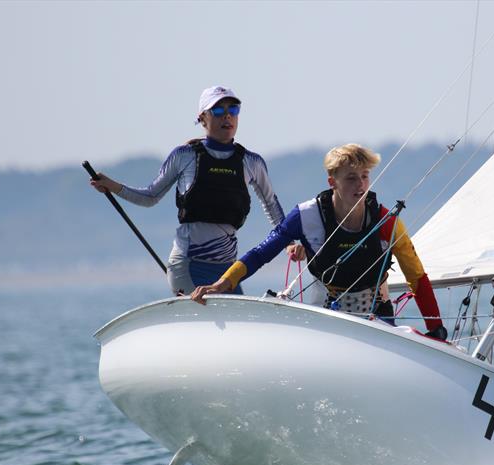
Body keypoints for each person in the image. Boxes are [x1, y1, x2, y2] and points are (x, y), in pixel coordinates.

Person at [190, 143, 447, 340]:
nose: (360, 185)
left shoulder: (386, 222)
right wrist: (223, 283)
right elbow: (261, 253)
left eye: (365, 176)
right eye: (351, 177)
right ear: (332, 181)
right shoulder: (306, 216)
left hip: (377, 316)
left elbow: (417, 277)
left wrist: (436, 330)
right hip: (327, 316)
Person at [89, 86, 285, 295]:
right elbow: (150, 197)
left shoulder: (251, 162)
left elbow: (271, 204)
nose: (227, 116)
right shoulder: (184, 156)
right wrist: (113, 186)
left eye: (233, 110)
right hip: (188, 266)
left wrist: (289, 242)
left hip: (227, 271)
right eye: (218, 110)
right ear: (202, 118)